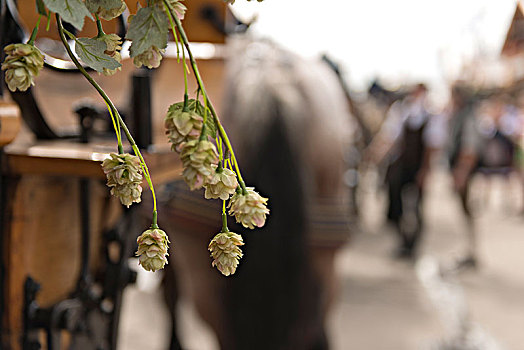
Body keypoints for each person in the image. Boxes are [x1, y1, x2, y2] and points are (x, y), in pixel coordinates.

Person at [366, 83, 446, 259]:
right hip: (401, 166)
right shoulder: (401, 111)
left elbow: (433, 145)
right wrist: (375, 156)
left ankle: (412, 245)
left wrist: (426, 171)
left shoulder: (432, 115)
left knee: (417, 208)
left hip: (417, 167)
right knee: (394, 204)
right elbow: (389, 137)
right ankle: (403, 240)